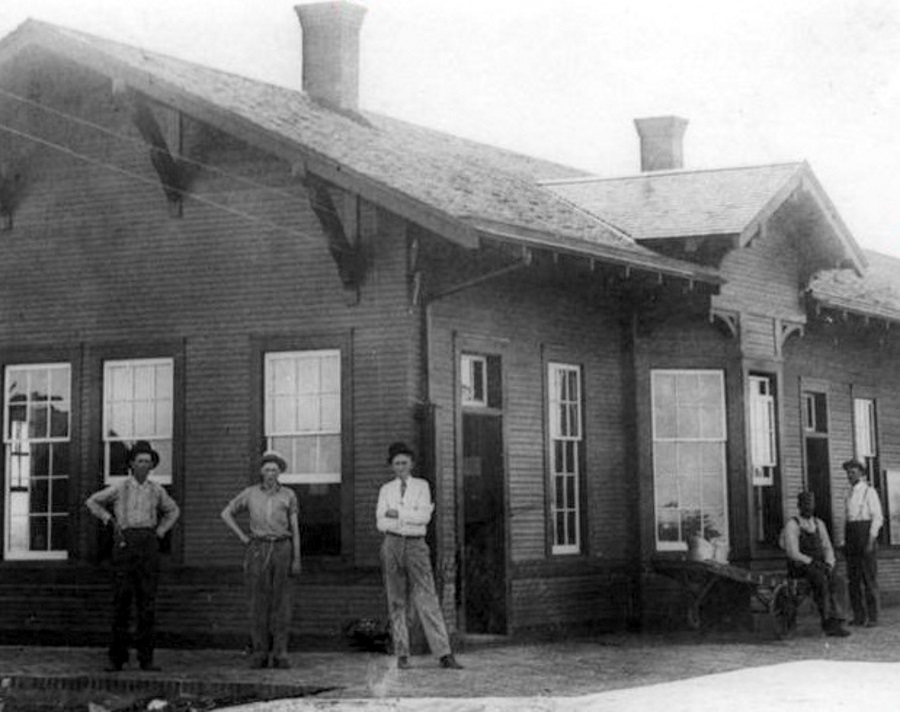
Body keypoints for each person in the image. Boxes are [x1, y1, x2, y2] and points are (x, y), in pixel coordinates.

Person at [85, 440, 180, 672]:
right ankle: (117, 658)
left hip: (148, 544)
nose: (144, 465)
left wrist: (160, 531)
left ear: (151, 466)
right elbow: (92, 501)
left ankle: (146, 659)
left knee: (147, 603)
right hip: (124, 543)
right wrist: (110, 520)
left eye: (148, 462)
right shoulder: (120, 488)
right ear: (131, 464)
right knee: (121, 602)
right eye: (140, 461)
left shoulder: (156, 490)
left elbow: (173, 510)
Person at [376, 441, 462, 670]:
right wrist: (406, 516)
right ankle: (402, 653)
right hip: (391, 544)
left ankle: (444, 653)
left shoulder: (422, 486)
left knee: (426, 598)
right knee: (396, 600)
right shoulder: (386, 489)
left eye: (404, 462)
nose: (401, 467)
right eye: (396, 463)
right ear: (392, 466)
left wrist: (399, 513)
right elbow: (381, 521)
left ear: (411, 464)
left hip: (416, 545)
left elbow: (424, 517)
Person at [221, 450, 301, 669]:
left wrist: (296, 558)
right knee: (258, 602)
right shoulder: (250, 493)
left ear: (280, 472)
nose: (270, 473)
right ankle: (259, 653)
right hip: (258, 548)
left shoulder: (288, 495)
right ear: (261, 471)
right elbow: (226, 513)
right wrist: (243, 537)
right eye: (266, 469)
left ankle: (280, 652)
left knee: (282, 602)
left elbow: (294, 528)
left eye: (274, 470)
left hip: (282, 547)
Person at [781, 491, 849, 637]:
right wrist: (812, 562)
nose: (808, 507)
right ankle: (826, 622)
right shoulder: (792, 524)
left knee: (838, 580)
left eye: (811, 504)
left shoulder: (819, 523)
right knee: (821, 580)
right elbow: (793, 552)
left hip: (819, 564)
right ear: (799, 506)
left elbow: (827, 547)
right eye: (805, 504)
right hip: (800, 566)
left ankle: (838, 620)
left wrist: (830, 563)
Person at [842, 458, 883, 627]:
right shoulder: (848, 493)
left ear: (861, 472)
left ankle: (873, 617)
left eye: (853, 472)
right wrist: (844, 541)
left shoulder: (869, 492)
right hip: (852, 537)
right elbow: (847, 519)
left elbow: (878, 518)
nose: (850, 475)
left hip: (865, 536)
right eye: (848, 473)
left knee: (868, 579)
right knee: (853, 579)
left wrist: (871, 540)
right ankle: (859, 616)